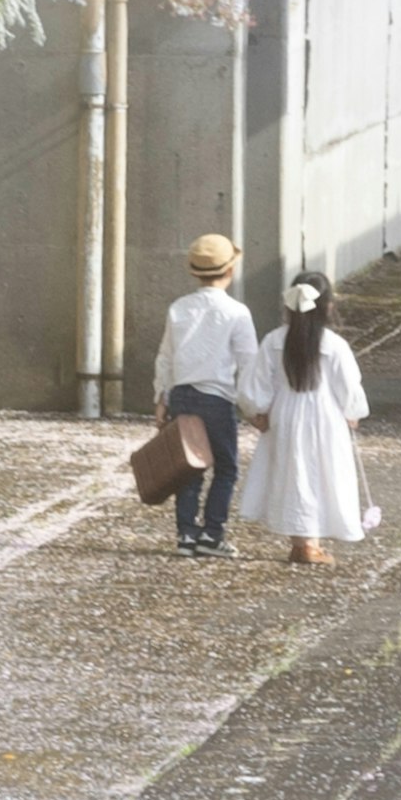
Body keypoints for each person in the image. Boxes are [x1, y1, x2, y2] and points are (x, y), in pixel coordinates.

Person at [237, 272, 373, 564]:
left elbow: (255, 383)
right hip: (326, 416)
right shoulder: (334, 345)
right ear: (328, 307)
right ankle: (310, 544)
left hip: (285, 412)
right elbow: (348, 388)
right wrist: (353, 412)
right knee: (321, 473)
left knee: (292, 472)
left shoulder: (274, 340)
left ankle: (301, 542)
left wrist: (255, 411)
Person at [150, 234, 260, 558]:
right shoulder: (238, 312)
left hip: (182, 395)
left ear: (195, 272)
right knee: (226, 467)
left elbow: (165, 356)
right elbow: (249, 362)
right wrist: (252, 406)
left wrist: (161, 396)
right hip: (217, 397)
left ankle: (186, 535)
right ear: (230, 271)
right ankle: (212, 534)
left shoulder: (178, 308)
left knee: (188, 467)